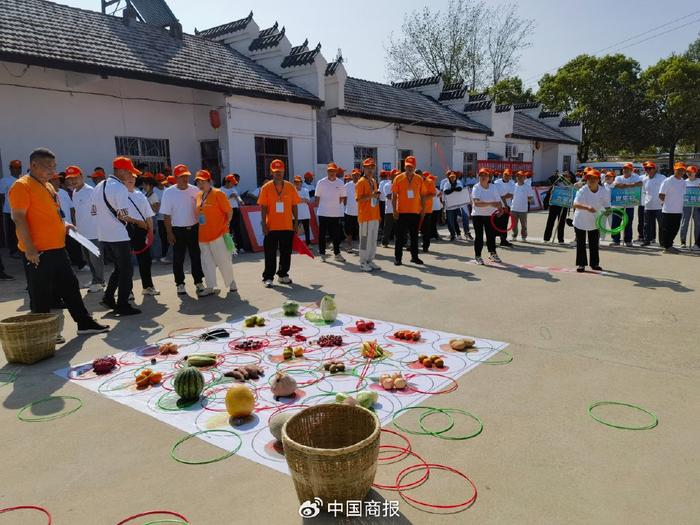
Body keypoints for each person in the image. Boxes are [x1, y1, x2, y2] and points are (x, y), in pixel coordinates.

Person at [9, 148, 109, 339]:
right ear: (34, 165)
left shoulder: (47, 186)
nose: (52, 171)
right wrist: (30, 248)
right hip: (38, 251)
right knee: (41, 294)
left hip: (57, 248)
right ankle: (44, 333)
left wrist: (65, 224)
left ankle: (84, 322)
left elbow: (54, 213)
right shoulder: (22, 186)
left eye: (54, 166)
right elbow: (19, 218)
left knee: (70, 287)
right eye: (48, 166)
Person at [94, 157, 143, 316]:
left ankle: (108, 297)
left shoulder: (99, 185)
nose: (130, 176)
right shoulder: (120, 188)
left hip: (104, 235)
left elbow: (93, 211)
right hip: (119, 235)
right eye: (129, 172)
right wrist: (137, 223)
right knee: (126, 271)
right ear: (121, 171)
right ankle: (122, 304)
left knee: (119, 269)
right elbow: (124, 215)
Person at [160, 164, 206, 295]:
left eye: (186, 176)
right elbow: (166, 215)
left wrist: (203, 227)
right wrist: (169, 232)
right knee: (178, 258)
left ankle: (199, 282)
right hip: (177, 230)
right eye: (181, 177)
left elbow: (201, 210)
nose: (185, 179)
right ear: (175, 178)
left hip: (194, 228)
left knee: (196, 256)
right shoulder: (169, 192)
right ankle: (180, 284)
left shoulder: (195, 190)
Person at [257, 159, 300, 287]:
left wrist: (296, 223)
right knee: (270, 253)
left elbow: (294, 206)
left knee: (286, 252)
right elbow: (263, 207)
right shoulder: (266, 188)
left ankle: (282, 274)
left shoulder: (290, 187)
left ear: (284, 171)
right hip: (271, 227)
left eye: (280, 171)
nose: (278, 174)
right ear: (271, 172)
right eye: (276, 172)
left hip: (287, 226)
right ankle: (268, 277)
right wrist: (264, 225)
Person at [194, 169, 236, 296]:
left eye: (203, 182)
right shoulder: (199, 196)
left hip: (218, 234)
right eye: (198, 182)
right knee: (206, 263)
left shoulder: (218, 194)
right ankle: (210, 286)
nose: (201, 185)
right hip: (203, 235)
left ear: (210, 181)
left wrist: (226, 225)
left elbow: (229, 212)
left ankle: (231, 283)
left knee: (223, 260)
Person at [64, 165, 104, 293]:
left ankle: (100, 281)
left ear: (81, 176)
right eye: (70, 179)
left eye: (75, 177)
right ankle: (94, 279)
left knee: (95, 259)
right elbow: (76, 212)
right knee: (88, 259)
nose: (73, 181)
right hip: (82, 233)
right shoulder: (75, 192)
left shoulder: (90, 191)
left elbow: (100, 210)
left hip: (93, 231)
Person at [125, 173, 158, 296]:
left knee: (145, 260)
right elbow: (119, 215)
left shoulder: (140, 194)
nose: (130, 180)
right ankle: (128, 291)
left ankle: (148, 286)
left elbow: (148, 214)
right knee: (127, 263)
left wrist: (150, 232)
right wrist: (136, 222)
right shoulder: (119, 193)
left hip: (142, 230)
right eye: (128, 177)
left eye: (133, 178)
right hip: (126, 230)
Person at [572, 169, 609, 272]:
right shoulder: (582, 190)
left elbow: (606, 203)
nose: (591, 180)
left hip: (594, 221)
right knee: (581, 243)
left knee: (594, 243)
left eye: (594, 178)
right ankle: (581, 264)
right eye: (589, 178)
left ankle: (594, 264)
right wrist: (587, 207)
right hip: (580, 220)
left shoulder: (603, 191)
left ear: (598, 180)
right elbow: (575, 204)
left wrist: (608, 210)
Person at [392, 156, 425, 266]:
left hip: (415, 212)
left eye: (411, 166)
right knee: (400, 237)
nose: (409, 168)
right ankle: (398, 258)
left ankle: (414, 257)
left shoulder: (419, 179)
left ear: (415, 167)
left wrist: (423, 209)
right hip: (401, 212)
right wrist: (394, 211)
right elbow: (394, 196)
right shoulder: (398, 178)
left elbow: (423, 195)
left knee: (414, 236)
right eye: (407, 166)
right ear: (404, 166)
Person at [315, 162, 346, 262]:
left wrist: (334, 206)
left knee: (336, 235)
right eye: (330, 171)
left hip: (336, 214)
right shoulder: (321, 182)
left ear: (336, 172)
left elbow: (342, 197)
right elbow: (317, 197)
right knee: (322, 234)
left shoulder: (340, 183)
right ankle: (322, 253)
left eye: (333, 171)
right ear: (327, 171)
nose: (331, 173)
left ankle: (337, 254)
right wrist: (325, 206)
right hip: (323, 213)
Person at [471, 167, 503, 265]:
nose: (483, 177)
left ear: (489, 177)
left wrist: (500, 209)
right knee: (479, 237)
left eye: (485, 175)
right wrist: (491, 203)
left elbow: (498, 201)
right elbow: (476, 203)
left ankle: (492, 253)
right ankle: (478, 256)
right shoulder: (476, 187)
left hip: (490, 216)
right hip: (478, 216)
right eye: (481, 175)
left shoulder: (493, 187)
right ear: (478, 177)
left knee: (491, 236)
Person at [355, 157, 381, 271]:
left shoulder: (374, 181)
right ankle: (363, 261)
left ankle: (370, 260)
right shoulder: (361, 182)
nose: (370, 170)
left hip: (374, 215)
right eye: (368, 167)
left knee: (373, 240)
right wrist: (371, 196)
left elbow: (375, 199)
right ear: (363, 168)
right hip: (365, 216)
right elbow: (358, 199)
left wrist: (379, 215)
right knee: (365, 240)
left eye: (372, 167)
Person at [609, 162, 642, 247]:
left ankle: (628, 240)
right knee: (616, 222)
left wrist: (625, 185)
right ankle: (615, 239)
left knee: (628, 223)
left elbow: (640, 184)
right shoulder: (618, 177)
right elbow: (616, 185)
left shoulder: (636, 177)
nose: (625, 170)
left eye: (627, 169)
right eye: (624, 169)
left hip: (630, 204)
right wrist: (632, 185)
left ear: (631, 170)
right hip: (618, 204)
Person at [659, 162, 688, 254]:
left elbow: (684, 195)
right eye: (679, 170)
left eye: (682, 170)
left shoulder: (683, 182)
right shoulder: (668, 180)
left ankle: (669, 246)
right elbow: (661, 194)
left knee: (675, 229)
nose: (681, 172)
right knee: (667, 229)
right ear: (675, 170)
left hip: (678, 210)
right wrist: (663, 203)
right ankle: (667, 247)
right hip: (668, 210)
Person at [640, 162, 664, 246]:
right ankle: (647, 240)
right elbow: (644, 191)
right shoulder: (644, 179)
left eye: (650, 168)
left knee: (661, 225)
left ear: (655, 169)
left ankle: (663, 242)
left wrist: (664, 202)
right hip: (648, 206)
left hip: (659, 206)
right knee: (647, 225)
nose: (648, 170)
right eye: (646, 169)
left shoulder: (662, 178)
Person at [0, 159, 20, 258]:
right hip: (9, 211)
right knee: (12, 232)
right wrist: (7, 207)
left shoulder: (22, 179)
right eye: (14, 167)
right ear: (10, 169)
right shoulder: (4, 180)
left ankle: (21, 250)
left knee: (21, 231)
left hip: (21, 211)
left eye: (18, 168)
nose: (17, 170)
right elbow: (2, 196)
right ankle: (13, 251)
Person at [543, 172, 570, 243]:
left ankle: (560, 239)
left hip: (563, 206)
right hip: (554, 205)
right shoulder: (556, 185)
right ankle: (546, 238)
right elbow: (549, 195)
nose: (567, 178)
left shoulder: (569, 186)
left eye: (568, 177)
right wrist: (551, 193)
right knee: (550, 222)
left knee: (561, 223)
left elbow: (571, 196)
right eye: (566, 177)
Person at [221, 174, 244, 253]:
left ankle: (240, 247)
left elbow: (238, 196)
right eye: (232, 183)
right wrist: (229, 196)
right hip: (226, 211)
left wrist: (240, 200)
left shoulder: (233, 189)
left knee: (237, 229)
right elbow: (221, 202)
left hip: (235, 210)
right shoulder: (221, 190)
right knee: (228, 230)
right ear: (227, 182)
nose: (233, 184)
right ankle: (230, 248)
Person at [510, 171, 536, 241]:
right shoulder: (513, 186)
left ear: (524, 177)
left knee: (523, 225)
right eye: (518, 176)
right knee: (514, 225)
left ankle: (523, 237)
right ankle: (514, 236)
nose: (519, 178)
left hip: (523, 209)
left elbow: (530, 197)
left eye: (521, 176)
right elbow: (511, 196)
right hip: (514, 208)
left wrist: (526, 202)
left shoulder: (527, 187)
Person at [441, 170, 466, 241]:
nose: (452, 178)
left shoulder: (458, 182)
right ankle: (452, 234)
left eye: (453, 177)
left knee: (455, 221)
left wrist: (452, 189)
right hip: (448, 206)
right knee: (449, 221)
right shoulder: (446, 184)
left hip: (456, 205)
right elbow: (446, 191)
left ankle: (458, 233)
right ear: (449, 177)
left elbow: (460, 189)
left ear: (455, 177)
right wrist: (453, 189)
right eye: (451, 177)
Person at [680, 165, 700, 249]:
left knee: (698, 224)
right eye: (688, 172)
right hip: (686, 205)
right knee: (684, 223)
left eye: (691, 172)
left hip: (697, 205)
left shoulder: (699, 181)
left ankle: (697, 243)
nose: (689, 173)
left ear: (695, 172)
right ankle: (683, 242)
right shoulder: (684, 182)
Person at [494, 169, 515, 246]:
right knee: (495, 223)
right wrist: (502, 196)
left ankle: (503, 240)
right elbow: (497, 194)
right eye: (505, 174)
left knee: (504, 224)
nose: (507, 176)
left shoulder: (512, 183)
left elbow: (511, 194)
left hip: (507, 206)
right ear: (503, 174)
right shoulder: (497, 182)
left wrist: (502, 196)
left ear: (510, 176)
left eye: (508, 175)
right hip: (497, 206)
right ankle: (492, 239)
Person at [420, 172, 438, 253]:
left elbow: (433, 194)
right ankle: (413, 246)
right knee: (414, 229)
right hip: (415, 209)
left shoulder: (429, 182)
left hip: (426, 210)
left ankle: (425, 246)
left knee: (425, 230)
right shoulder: (414, 181)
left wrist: (421, 199)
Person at [344, 169, 360, 252]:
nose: (356, 176)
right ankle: (349, 246)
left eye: (357, 175)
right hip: (349, 212)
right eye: (354, 175)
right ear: (352, 176)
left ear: (359, 176)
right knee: (348, 231)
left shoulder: (362, 184)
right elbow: (344, 197)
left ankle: (363, 248)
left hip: (360, 212)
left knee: (361, 231)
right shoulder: (347, 185)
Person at [293, 176, 312, 244]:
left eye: (299, 182)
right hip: (295, 214)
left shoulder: (305, 190)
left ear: (301, 182)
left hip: (305, 214)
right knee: (294, 230)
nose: (297, 183)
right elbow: (292, 201)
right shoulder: (292, 190)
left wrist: (298, 200)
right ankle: (294, 244)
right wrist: (302, 199)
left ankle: (308, 243)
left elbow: (308, 200)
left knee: (306, 229)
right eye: (296, 182)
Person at [381, 170, 397, 247]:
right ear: (390, 176)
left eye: (397, 175)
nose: (396, 176)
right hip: (389, 210)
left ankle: (402, 242)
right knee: (387, 227)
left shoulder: (400, 184)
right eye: (395, 175)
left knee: (400, 227)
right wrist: (399, 194)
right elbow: (389, 196)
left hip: (399, 209)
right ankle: (385, 242)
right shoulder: (387, 185)